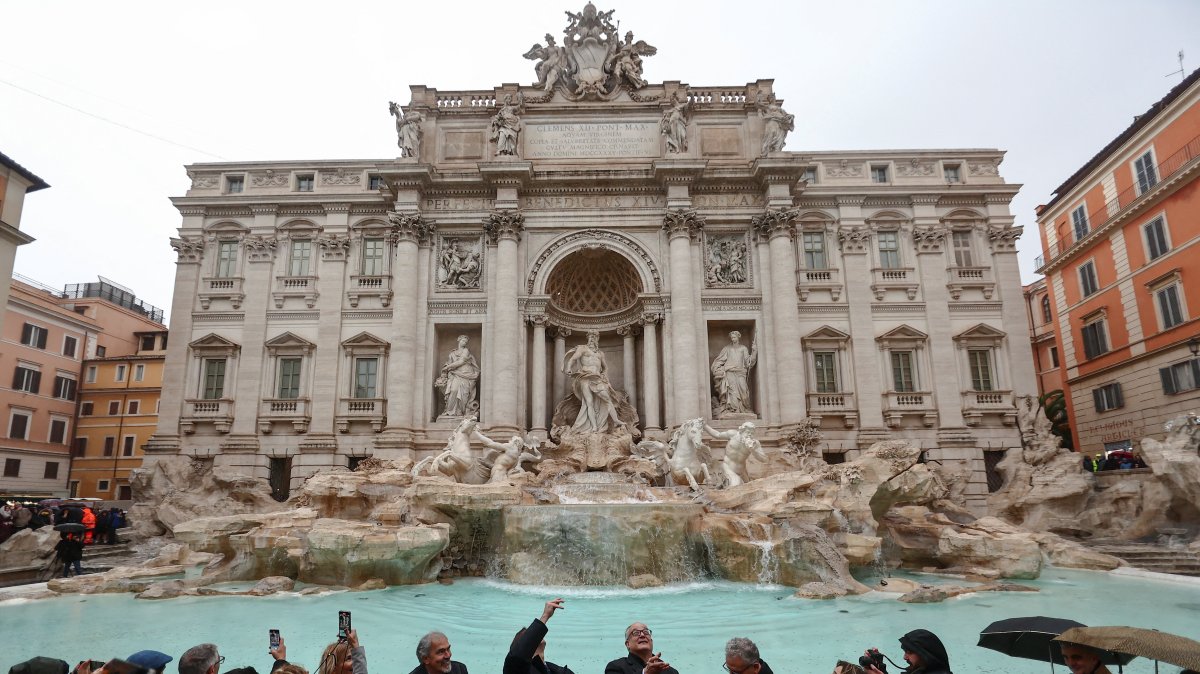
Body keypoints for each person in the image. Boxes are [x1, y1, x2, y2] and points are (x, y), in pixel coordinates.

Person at [563, 331, 624, 434]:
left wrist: (605, 376)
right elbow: (573, 359)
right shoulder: (582, 349)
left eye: (594, 337)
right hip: (585, 377)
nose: (592, 339)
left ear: (597, 339)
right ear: (587, 338)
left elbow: (605, 367)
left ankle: (616, 420)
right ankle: (594, 427)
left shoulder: (600, 353)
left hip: (597, 378)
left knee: (608, 399)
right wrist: (568, 367)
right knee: (589, 402)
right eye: (590, 337)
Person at [504, 599, 572, 674]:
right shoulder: (514, 669)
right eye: (528, 634)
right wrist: (545, 616)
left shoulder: (552, 669)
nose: (533, 634)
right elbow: (518, 655)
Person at [711, 331, 757, 416]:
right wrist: (717, 368)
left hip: (741, 373)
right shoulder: (727, 348)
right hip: (730, 372)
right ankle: (734, 410)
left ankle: (745, 408)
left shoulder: (743, 348)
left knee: (744, 391)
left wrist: (754, 351)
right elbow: (719, 360)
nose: (733, 339)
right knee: (732, 392)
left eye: (734, 337)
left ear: (738, 337)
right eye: (732, 338)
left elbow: (748, 363)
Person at [704, 422, 765, 487]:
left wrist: (754, 451)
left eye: (752, 433)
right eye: (748, 432)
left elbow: (764, 459)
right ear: (742, 431)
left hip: (742, 471)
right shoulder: (733, 434)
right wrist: (705, 425)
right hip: (728, 467)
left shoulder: (755, 443)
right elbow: (717, 435)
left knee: (750, 488)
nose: (749, 435)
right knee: (736, 484)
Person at [604, 623, 677, 674]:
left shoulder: (670, 671)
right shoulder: (616, 667)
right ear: (627, 644)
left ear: (651, 641)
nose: (642, 635)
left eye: (646, 632)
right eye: (636, 633)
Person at [867, 630, 951, 674]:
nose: (905, 657)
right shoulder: (921, 670)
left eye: (909, 652)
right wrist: (879, 668)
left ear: (925, 655)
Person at [438, 336, 480, 418]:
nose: (464, 343)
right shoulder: (452, 353)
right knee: (454, 390)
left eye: (466, 342)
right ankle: (450, 411)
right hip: (455, 374)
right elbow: (448, 363)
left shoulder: (466, 351)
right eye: (463, 341)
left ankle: (460, 411)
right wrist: (446, 370)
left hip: (466, 374)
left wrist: (447, 367)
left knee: (464, 394)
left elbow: (461, 361)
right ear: (459, 341)